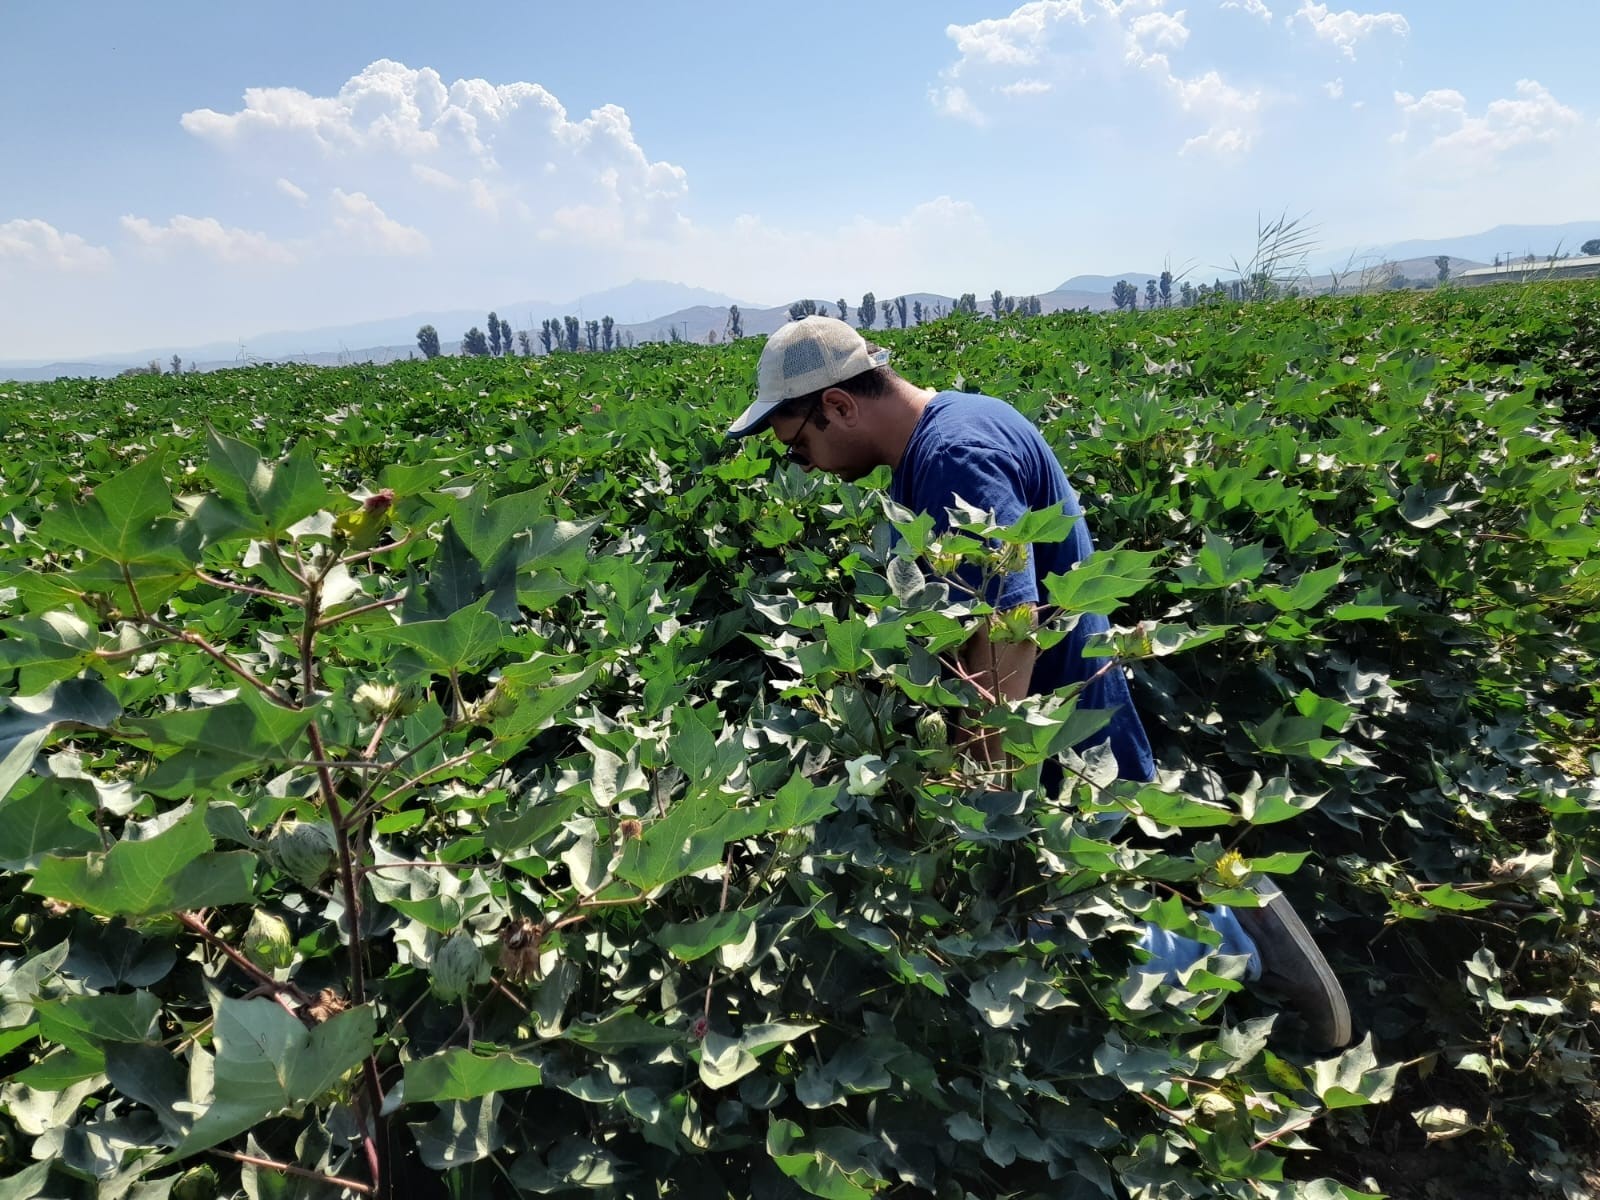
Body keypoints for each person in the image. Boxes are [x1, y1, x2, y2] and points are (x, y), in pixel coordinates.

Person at [727, 316, 1351, 1049]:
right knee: (1079, 906)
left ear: (837, 406)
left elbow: (1010, 616)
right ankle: (1213, 934)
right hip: (1065, 717)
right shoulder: (957, 421)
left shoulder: (955, 454)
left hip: (1054, 731)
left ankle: (1230, 944)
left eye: (799, 443)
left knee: (1055, 939)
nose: (803, 463)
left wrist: (988, 777)